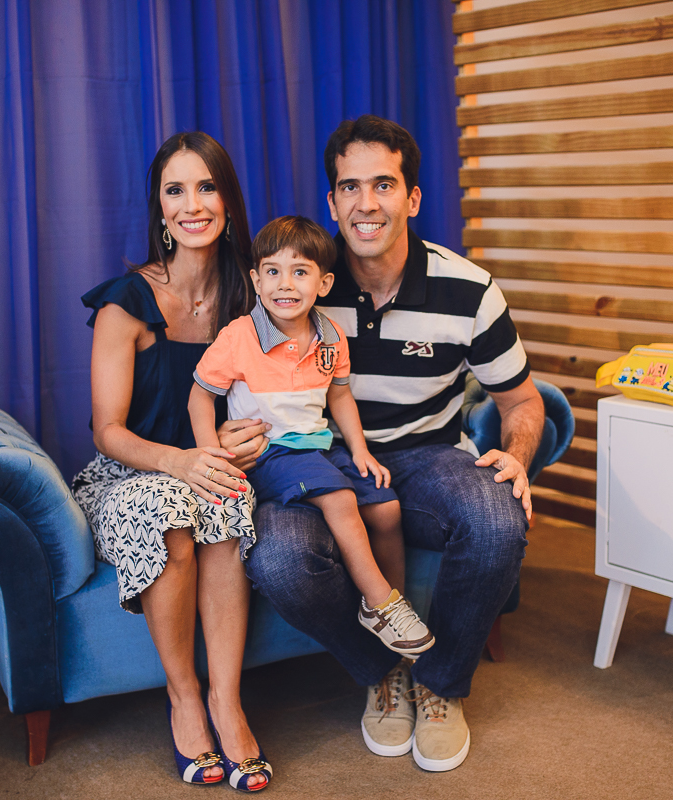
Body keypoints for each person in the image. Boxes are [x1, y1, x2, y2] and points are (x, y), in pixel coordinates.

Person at [221, 116, 545, 773]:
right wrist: (235, 428)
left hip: (428, 456)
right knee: (279, 559)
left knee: (497, 521)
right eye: (349, 187)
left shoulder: (470, 290)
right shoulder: (299, 284)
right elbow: (239, 375)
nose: (367, 203)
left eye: (384, 185)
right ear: (333, 201)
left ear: (413, 198)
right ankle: (381, 671)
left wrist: (517, 453)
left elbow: (522, 401)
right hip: (314, 460)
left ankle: (440, 683)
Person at [70, 131, 272, 791]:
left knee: (225, 499)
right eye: (175, 189)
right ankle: (185, 697)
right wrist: (179, 462)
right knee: (171, 509)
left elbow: (283, 390)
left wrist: (256, 437)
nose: (193, 204)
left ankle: (227, 699)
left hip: (208, 465)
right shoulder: (125, 303)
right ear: (159, 207)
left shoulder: (253, 294)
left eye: (207, 187)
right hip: (129, 474)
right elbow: (107, 431)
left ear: (228, 200)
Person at [187, 215, 433, 658]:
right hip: (269, 452)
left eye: (300, 272)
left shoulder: (330, 335)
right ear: (256, 281)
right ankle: (379, 604)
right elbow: (199, 399)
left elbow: (340, 399)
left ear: (323, 283)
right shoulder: (239, 336)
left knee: (386, 506)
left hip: (318, 445)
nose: (286, 284)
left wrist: (361, 452)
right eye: (273, 272)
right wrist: (211, 456)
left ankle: (396, 613)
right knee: (339, 500)